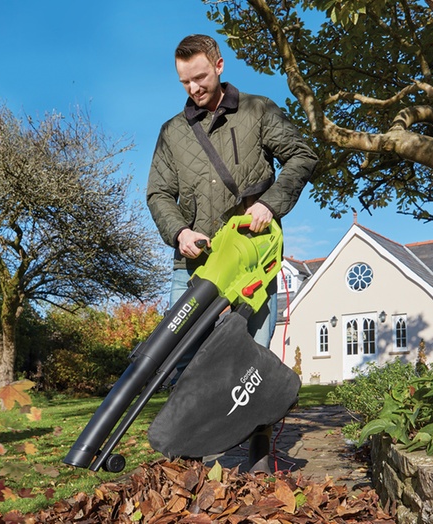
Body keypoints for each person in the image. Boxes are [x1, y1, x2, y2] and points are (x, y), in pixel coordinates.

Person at [146, 34, 318, 471]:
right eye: (185, 81)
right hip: (194, 264)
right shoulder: (172, 133)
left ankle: (259, 456)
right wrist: (178, 231)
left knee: (252, 355)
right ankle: (189, 460)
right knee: (181, 356)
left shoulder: (259, 111)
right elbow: (159, 194)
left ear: (219, 66)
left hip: (249, 257)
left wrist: (270, 204)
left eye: (200, 77)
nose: (193, 88)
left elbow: (301, 155)